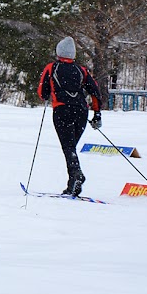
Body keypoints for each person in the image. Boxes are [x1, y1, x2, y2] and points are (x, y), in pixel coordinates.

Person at [38, 36, 102, 196]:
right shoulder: (82, 70)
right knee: (71, 146)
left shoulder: (52, 67)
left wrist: (49, 93)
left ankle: (77, 175)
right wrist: (97, 114)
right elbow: (95, 91)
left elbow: (42, 92)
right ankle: (73, 183)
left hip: (62, 110)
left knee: (68, 147)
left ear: (59, 52)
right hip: (81, 111)